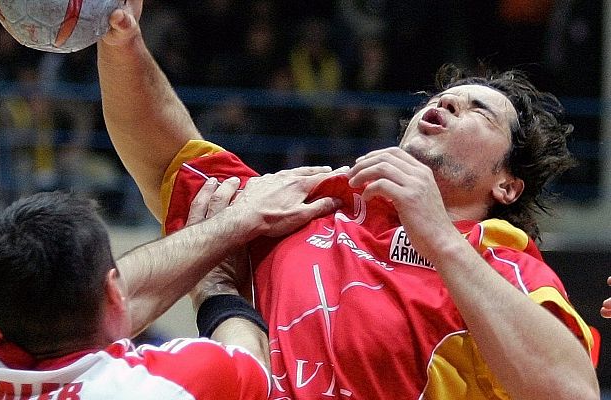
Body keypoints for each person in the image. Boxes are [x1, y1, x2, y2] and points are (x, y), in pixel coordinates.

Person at [96, 1, 600, 399]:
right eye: (444, 97)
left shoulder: (506, 266)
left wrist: (440, 236)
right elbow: (169, 160)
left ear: (506, 186)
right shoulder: (311, 203)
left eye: (479, 113)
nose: (445, 102)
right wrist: (122, 41)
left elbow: (571, 391)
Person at [0, 166, 341, 399]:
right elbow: (253, 366)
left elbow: (100, 298)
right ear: (111, 290)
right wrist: (217, 288)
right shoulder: (160, 387)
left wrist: (234, 224)